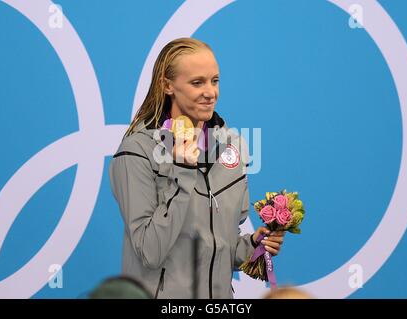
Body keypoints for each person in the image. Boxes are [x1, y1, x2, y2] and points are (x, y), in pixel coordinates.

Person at [109, 37, 285, 299]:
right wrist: (182, 171)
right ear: (167, 85)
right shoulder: (137, 151)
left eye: (214, 81)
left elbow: (216, 246)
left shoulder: (233, 147)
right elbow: (149, 251)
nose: (210, 92)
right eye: (197, 82)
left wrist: (251, 247)